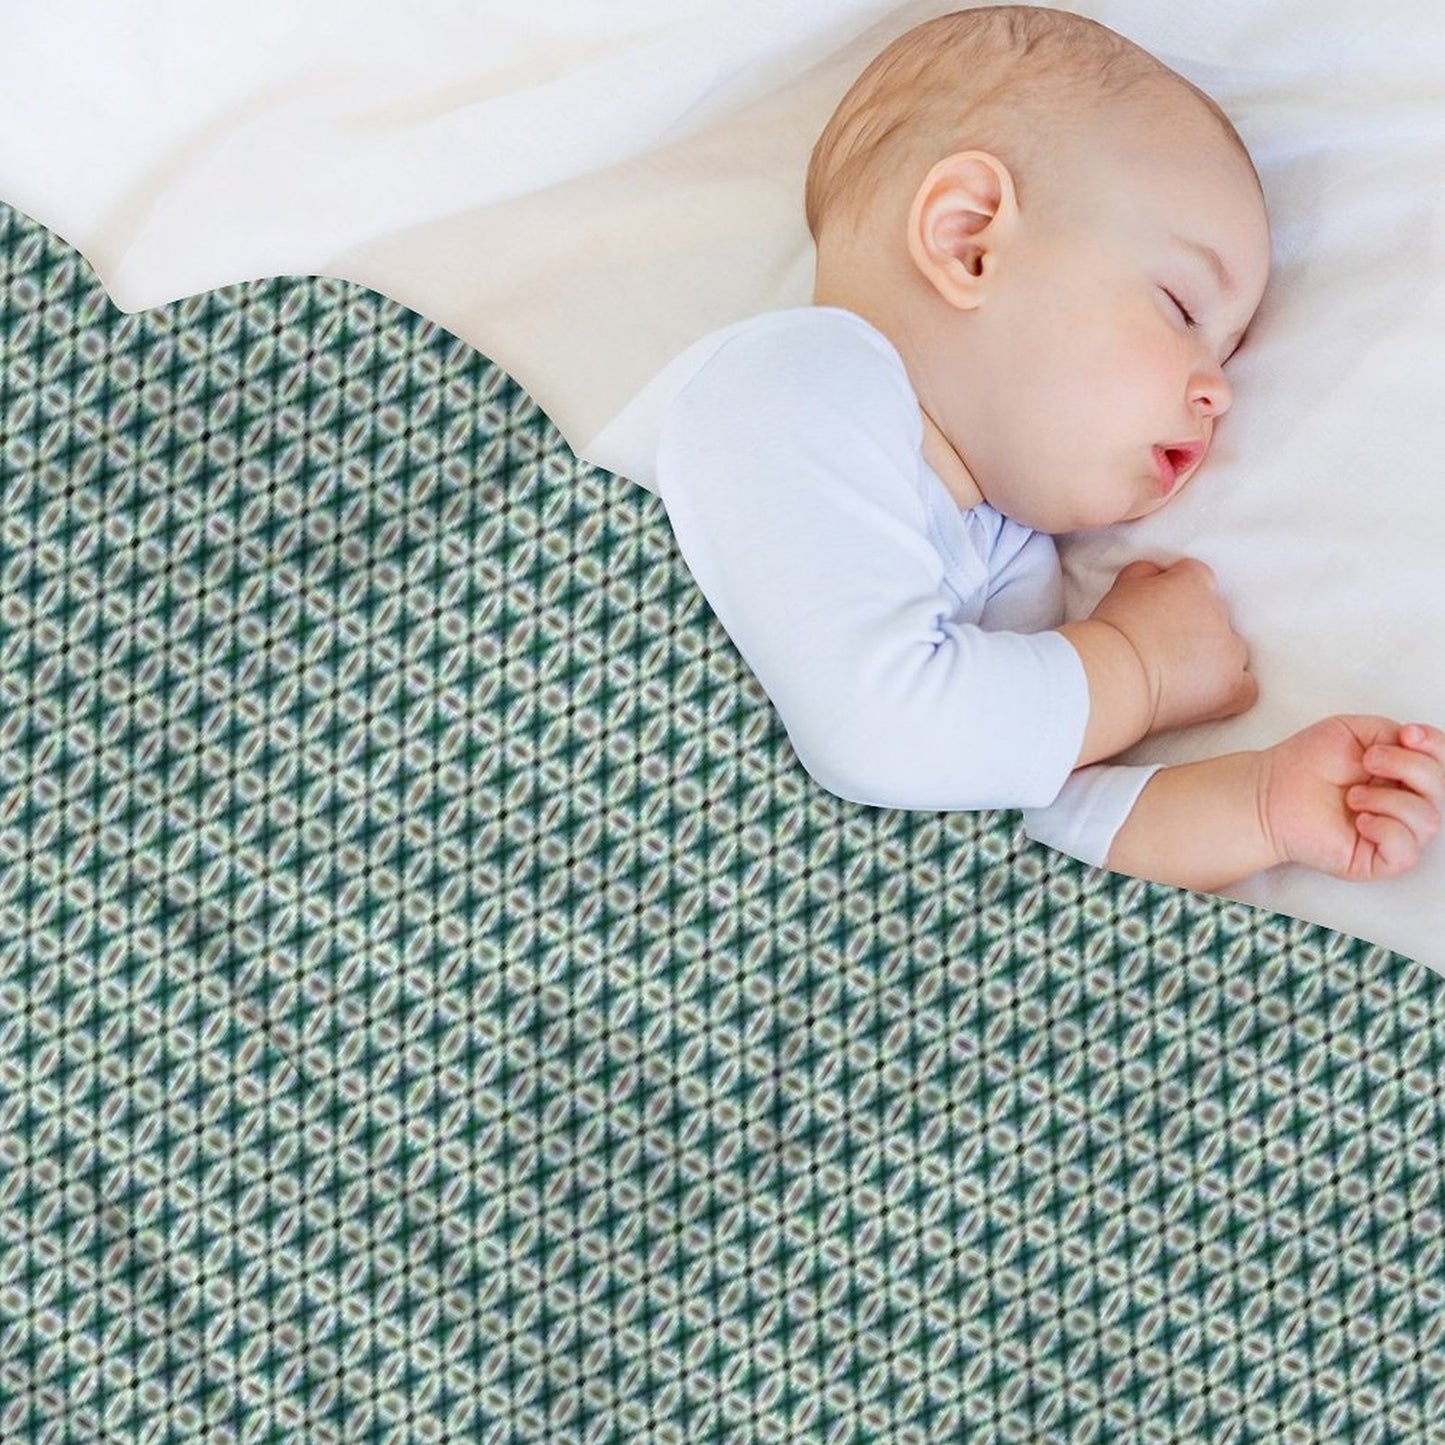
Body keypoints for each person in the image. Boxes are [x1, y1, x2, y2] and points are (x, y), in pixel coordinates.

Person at [593, 4, 1443, 892]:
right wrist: (1135, 668)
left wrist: (1262, 806)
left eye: (1226, 355)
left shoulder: (1001, 550)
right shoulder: (794, 380)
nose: (1216, 390)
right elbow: (880, 731)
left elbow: (1015, 813)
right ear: (968, 242)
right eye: (1182, 308)